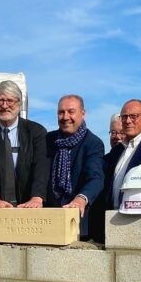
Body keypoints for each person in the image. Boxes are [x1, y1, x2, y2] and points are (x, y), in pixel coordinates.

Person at [0, 80, 48, 235]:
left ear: (19, 104)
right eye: (0, 100)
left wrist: (36, 198)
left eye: (10, 100)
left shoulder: (36, 131)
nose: (4, 105)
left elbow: (41, 167)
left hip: (28, 209)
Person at [46, 95, 104, 240]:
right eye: (61, 112)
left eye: (71, 111)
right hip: (49, 219)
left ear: (82, 114)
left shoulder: (93, 143)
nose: (65, 117)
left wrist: (81, 199)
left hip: (77, 223)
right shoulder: (47, 140)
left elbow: (96, 178)